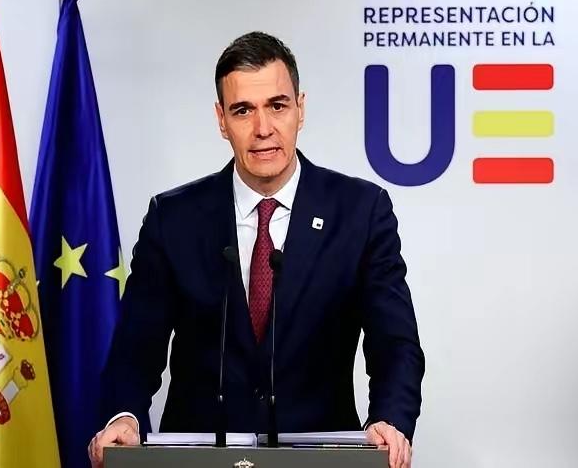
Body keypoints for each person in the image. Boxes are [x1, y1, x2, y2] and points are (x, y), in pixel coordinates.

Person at [88, 32, 423, 468]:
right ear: (221, 120)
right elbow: (135, 346)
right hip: (200, 460)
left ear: (300, 109)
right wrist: (124, 416)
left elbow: (395, 343)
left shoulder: (360, 212)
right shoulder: (173, 218)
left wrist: (389, 419)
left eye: (277, 106)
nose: (263, 129)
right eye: (243, 110)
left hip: (317, 460)